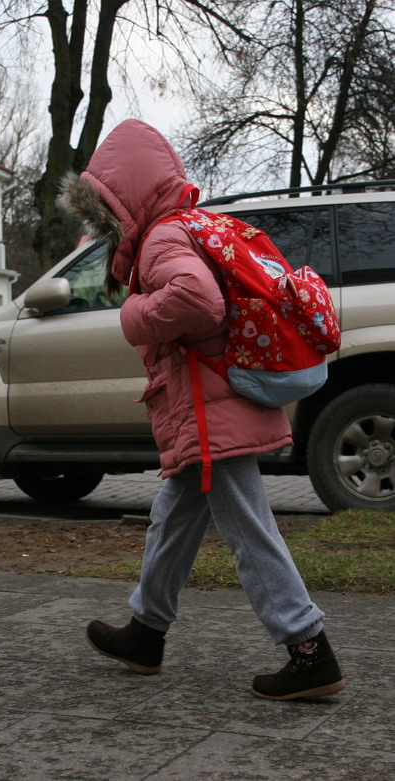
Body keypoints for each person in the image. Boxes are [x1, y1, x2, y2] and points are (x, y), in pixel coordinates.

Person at [58, 118, 345, 701]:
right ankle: (146, 632)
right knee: (173, 517)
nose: (103, 225)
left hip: (213, 411)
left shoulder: (164, 237)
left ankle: (308, 648)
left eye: (104, 210)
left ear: (125, 197)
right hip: (212, 406)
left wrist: (131, 315)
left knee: (248, 531)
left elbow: (196, 300)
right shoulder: (190, 224)